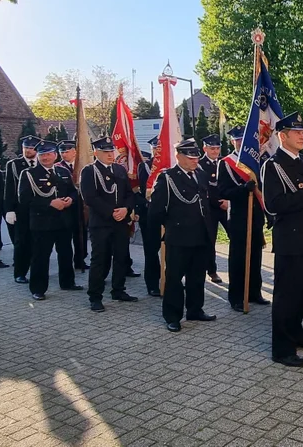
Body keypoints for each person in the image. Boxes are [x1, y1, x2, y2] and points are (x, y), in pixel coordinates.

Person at [261, 113, 303, 367]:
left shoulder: (301, 160)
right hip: (289, 239)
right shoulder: (273, 165)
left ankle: (297, 334)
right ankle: (282, 348)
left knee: (301, 294)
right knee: (286, 296)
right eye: (296, 132)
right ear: (282, 136)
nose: (302, 136)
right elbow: (273, 204)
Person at [148, 138, 219, 332]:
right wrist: (171, 225)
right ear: (179, 157)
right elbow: (155, 210)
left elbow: (208, 202)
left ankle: (195, 309)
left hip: (201, 235)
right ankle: (172, 316)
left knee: (197, 276)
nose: (195, 160)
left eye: (196, 156)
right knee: (174, 278)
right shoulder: (167, 178)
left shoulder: (201, 176)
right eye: (190, 157)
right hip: (179, 237)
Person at [19, 140, 83, 300]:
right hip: (42, 222)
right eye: (42, 155)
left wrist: (71, 199)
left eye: (48, 154)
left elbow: (74, 191)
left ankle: (67, 282)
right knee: (40, 257)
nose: (45, 157)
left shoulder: (63, 171)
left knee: (66, 253)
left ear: (55, 155)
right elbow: (25, 199)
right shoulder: (29, 174)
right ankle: (38, 288)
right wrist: (49, 203)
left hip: (63, 221)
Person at [82, 137, 137, 311]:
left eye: (111, 151)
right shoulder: (89, 171)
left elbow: (129, 194)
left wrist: (126, 209)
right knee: (100, 259)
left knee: (121, 256)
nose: (110, 155)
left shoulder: (119, 170)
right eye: (105, 152)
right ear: (96, 152)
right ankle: (95, 296)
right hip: (101, 223)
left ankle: (118, 289)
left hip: (120, 222)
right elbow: (90, 197)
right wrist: (111, 212)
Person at [218, 126, 269, 312]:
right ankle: (237, 297)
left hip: (255, 215)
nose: (241, 143)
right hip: (239, 216)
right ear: (233, 142)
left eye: (243, 140)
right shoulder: (226, 163)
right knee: (238, 258)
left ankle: (255, 292)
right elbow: (223, 191)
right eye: (237, 140)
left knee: (256, 255)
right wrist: (243, 189)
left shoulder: (257, 162)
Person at [6, 136, 40, 284]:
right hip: (22, 210)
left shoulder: (43, 162)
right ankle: (20, 273)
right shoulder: (14, 164)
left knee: (38, 242)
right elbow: (9, 188)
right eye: (26, 148)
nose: (28, 151)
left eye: (31, 148)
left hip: (40, 210)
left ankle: (36, 269)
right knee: (21, 243)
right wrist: (9, 209)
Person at [198, 133, 227, 284]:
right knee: (210, 240)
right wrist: (218, 202)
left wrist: (227, 200)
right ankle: (212, 270)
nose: (215, 151)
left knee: (235, 235)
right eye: (212, 148)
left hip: (226, 206)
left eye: (217, 148)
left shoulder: (224, 162)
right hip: (211, 208)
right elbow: (205, 188)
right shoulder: (200, 165)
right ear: (205, 148)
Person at [58, 140, 90, 272]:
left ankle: (80, 259)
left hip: (81, 207)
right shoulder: (59, 168)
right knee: (66, 237)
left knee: (81, 234)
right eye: (62, 152)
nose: (64, 154)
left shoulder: (83, 166)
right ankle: (67, 263)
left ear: (75, 151)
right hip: (65, 208)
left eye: (67, 151)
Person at [137, 138, 162, 296]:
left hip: (171, 217)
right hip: (150, 216)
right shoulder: (145, 167)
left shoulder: (171, 165)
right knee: (151, 251)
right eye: (155, 148)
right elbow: (139, 193)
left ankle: (171, 279)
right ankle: (152, 283)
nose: (157, 151)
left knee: (174, 252)